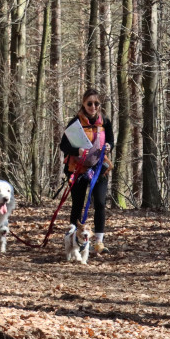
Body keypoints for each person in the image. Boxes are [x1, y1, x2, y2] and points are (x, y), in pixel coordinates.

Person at [59, 88, 114, 254]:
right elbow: (64, 145)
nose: (93, 106)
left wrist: (109, 146)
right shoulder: (75, 122)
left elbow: (111, 139)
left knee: (100, 203)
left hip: (99, 168)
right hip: (78, 169)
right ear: (83, 103)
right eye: (89, 103)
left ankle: (99, 242)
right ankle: (74, 242)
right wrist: (77, 151)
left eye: (96, 103)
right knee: (77, 204)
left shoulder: (105, 121)